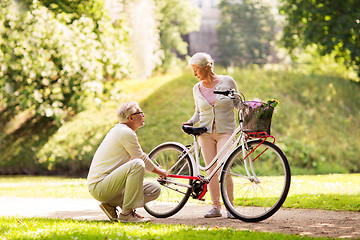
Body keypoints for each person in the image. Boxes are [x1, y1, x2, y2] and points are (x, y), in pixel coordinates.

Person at [87, 101, 166, 223]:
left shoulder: (122, 130)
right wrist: (159, 171)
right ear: (131, 117)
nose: (143, 115)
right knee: (138, 164)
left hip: (111, 186)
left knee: (154, 189)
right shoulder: (125, 132)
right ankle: (126, 215)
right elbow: (141, 158)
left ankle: (110, 204)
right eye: (140, 112)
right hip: (100, 186)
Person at [183, 52, 240, 218]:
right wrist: (190, 122)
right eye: (193, 70)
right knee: (212, 172)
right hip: (205, 134)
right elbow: (198, 113)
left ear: (207, 67)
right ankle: (216, 207)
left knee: (224, 169)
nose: (194, 74)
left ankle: (231, 207)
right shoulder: (197, 88)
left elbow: (238, 104)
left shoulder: (228, 81)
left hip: (226, 132)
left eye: (196, 70)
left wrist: (251, 110)